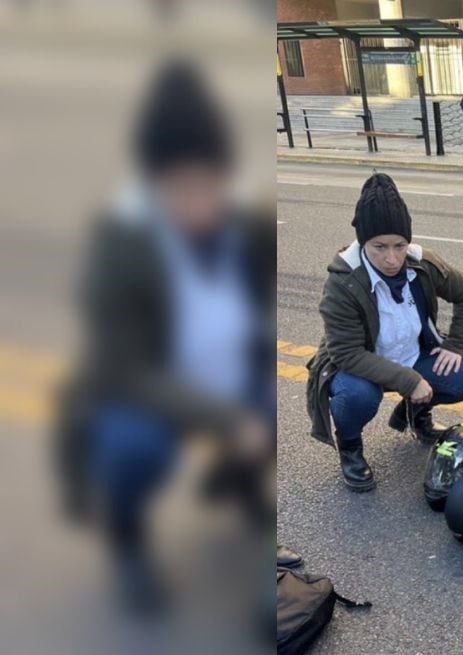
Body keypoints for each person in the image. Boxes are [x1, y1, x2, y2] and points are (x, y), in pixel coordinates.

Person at [55, 59, 277, 612]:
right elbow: (122, 370)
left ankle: (239, 477)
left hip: (229, 376)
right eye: (180, 186)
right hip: (148, 390)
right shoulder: (120, 242)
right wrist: (228, 419)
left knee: (283, 398)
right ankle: (126, 536)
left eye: (210, 182)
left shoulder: (246, 225)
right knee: (132, 443)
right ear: (153, 181)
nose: (199, 200)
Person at [305, 173, 463, 492]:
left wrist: (456, 345)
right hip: (359, 367)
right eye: (380, 247)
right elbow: (345, 354)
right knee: (357, 397)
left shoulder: (423, 263)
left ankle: (417, 414)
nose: (392, 258)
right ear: (363, 242)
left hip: (412, 355)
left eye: (399, 245)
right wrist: (409, 381)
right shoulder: (343, 282)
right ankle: (350, 449)